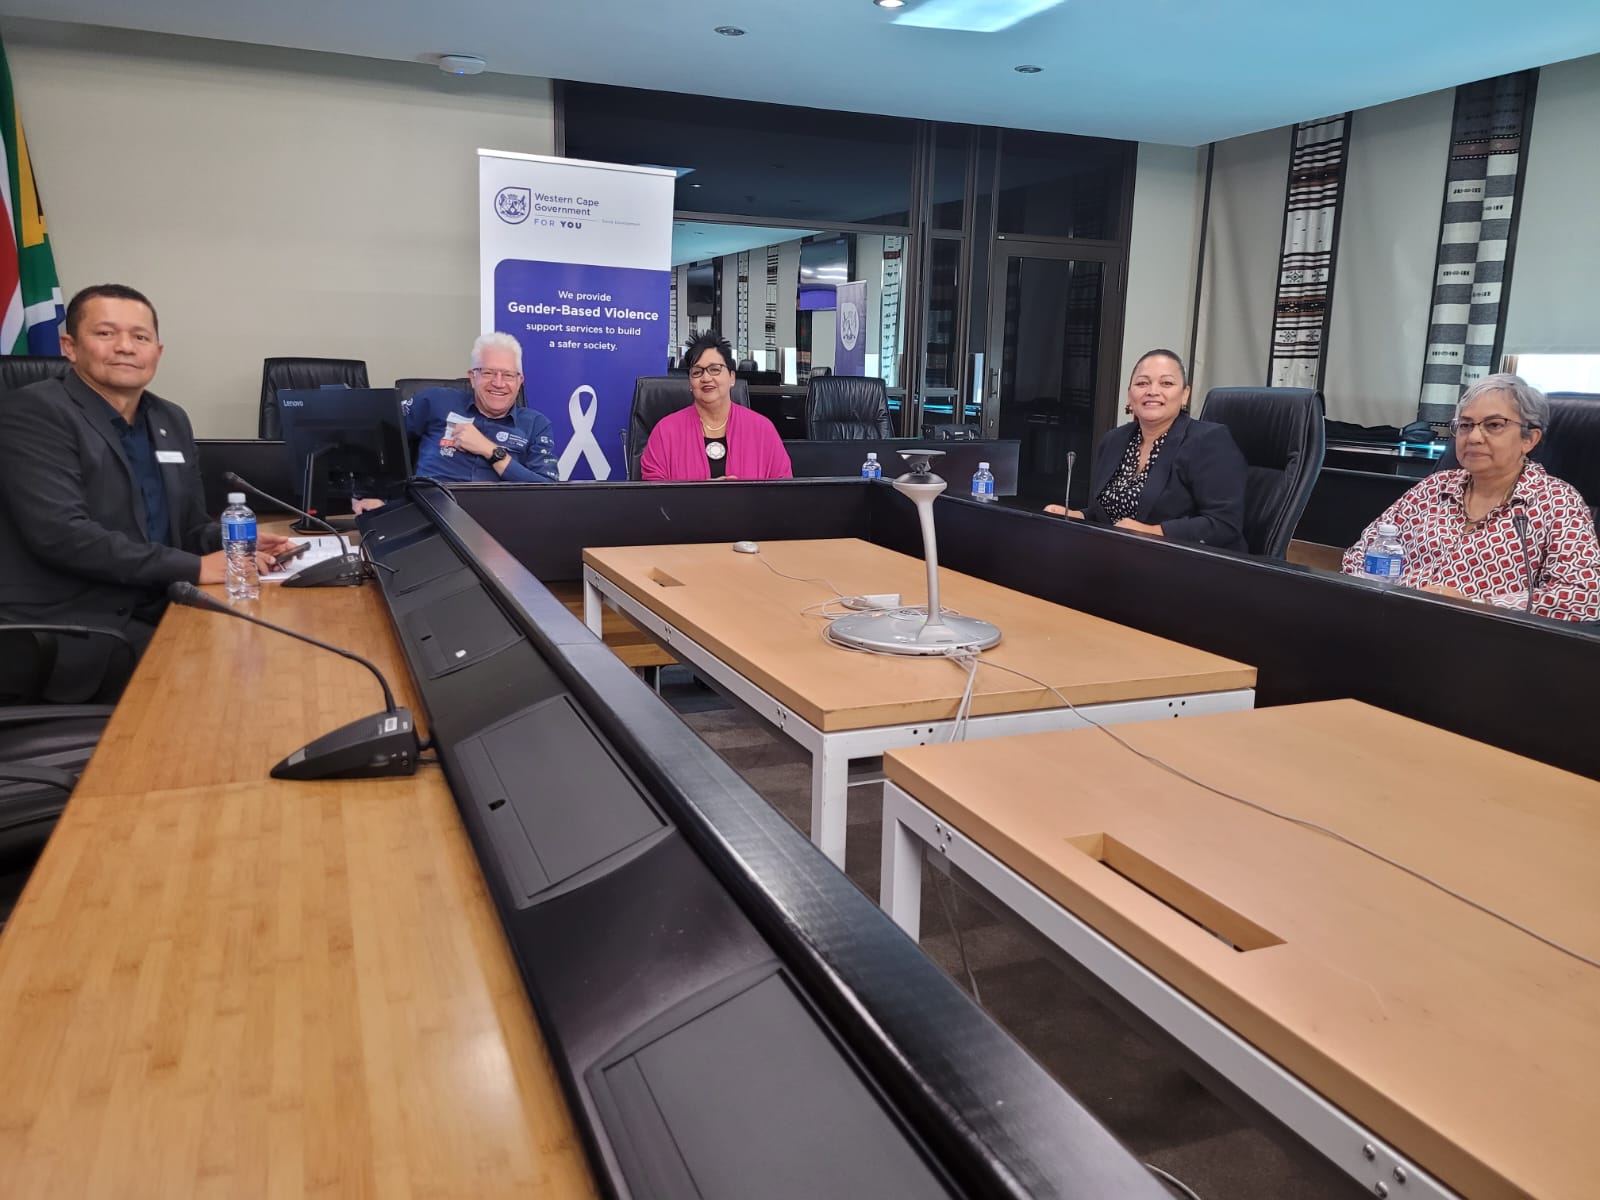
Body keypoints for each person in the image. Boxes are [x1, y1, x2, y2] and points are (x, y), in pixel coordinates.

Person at [0, 283, 293, 700]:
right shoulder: (34, 412)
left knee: (272, 654)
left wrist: (235, 544)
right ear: (69, 346)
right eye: (105, 334)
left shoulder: (170, 418)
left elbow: (188, 527)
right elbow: (63, 536)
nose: (125, 347)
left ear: (158, 351)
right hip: (73, 628)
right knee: (226, 686)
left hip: (160, 604)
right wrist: (194, 569)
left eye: (140, 337)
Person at [1341, 374, 1600, 621]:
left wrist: (1477, 607)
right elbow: (1359, 554)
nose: (1474, 437)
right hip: (1395, 623)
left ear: (1529, 439)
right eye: (1465, 425)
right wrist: (1389, 595)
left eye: (1494, 425)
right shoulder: (1434, 487)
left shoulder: (1557, 502)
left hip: (1486, 643)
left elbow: (1584, 596)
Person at [1045, 348, 1247, 550]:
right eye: (1142, 383)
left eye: (1166, 383)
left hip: (1189, 566)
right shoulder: (1114, 440)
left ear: (1185, 394)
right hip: (1121, 558)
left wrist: (1152, 532)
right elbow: (1109, 515)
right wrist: (1078, 516)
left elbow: (1224, 524)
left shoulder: (1208, 441)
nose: (1152, 391)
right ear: (1130, 395)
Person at [406, 332, 559, 482]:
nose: (498, 383)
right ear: (472, 377)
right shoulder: (436, 401)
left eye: (508, 375)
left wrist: (490, 451)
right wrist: (382, 495)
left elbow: (547, 490)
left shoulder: (536, 425)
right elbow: (385, 437)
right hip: (431, 503)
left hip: (499, 506)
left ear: (519, 381)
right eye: (488, 373)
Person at [640, 332, 792, 481]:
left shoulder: (762, 430)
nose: (706, 378)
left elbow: (783, 492)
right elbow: (653, 496)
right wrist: (705, 494)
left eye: (715, 369)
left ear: (732, 377)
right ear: (690, 384)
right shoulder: (665, 432)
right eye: (697, 372)